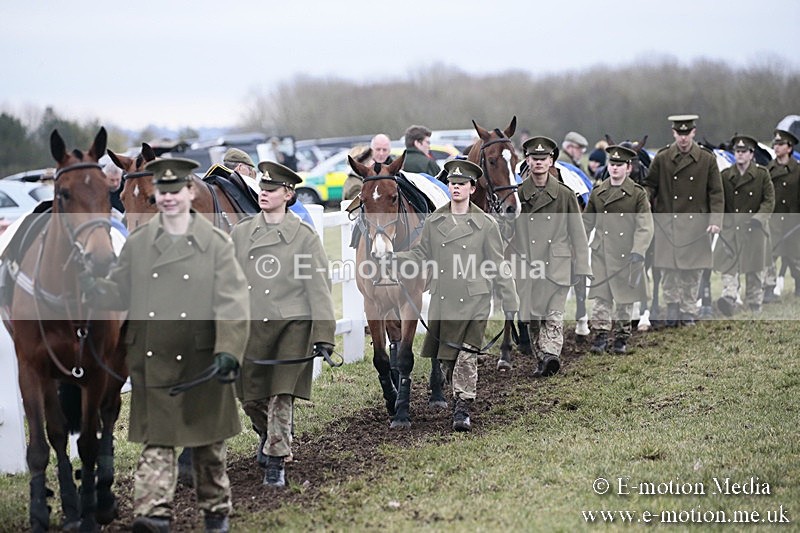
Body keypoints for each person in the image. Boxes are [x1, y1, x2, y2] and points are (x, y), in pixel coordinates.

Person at [81, 158, 250, 533]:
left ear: (190, 191)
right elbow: (121, 289)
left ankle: (216, 514)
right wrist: (96, 288)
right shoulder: (139, 243)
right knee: (156, 445)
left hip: (204, 362)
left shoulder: (216, 242)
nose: (169, 198)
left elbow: (234, 302)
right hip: (152, 360)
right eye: (163, 192)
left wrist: (229, 351)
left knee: (208, 453)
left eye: (176, 191)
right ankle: (153, 514)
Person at [392, 159, 518, 431]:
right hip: (444, 299)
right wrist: (395, 259)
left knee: (466, 355)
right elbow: (421, 253)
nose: (456, 188)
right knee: (448, 359)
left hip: (474, 299)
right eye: (452, 183)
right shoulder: (435, 220)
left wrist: (511, 300)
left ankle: (462, 408)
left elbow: (498, 264)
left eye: (462, 184)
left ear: (473, 188)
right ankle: (458, 395)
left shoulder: (485, 224)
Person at [231, 161, 335, 487]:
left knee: (281, 393)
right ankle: (270, 435)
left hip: (292, 326)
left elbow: (318, 288)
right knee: (250, 398)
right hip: (252, 327)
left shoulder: (304, 237)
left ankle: (276, 460)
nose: (264, 193)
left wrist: (323, 335)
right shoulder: (241, 233)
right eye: (262, 188)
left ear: (288, 194)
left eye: (271, 189)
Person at [512, 136, 591, 377]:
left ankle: (551, 354)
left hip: (557, 263)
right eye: (534, 158)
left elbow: (577, 232)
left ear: (551, 161)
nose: (538, 163)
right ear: (527, 160)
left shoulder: (565, 194)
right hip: (528, 265)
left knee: (553, 315)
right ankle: (543, 358)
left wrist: (582, 266)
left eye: (543, 158)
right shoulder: (517, 195)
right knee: (533, 318)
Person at [643, 114, 723, 327]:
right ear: (674, 133)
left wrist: (715, 220)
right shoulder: (662, 158)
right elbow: (650, 185)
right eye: (680, 134)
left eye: (687, 133)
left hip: (696, 224)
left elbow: (716, 193)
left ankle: (688, 310)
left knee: (692, 271)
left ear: (693, 133)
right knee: (668, 270)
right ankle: (672, 307)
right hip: (667, 222)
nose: (683, 138)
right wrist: (644, 201)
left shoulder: (707, 159)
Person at [583, 146, 654, 354]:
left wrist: (638, 250)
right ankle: (600, 335)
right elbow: (587, 222)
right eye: (612, 164)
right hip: (602, 251)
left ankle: (622, 337)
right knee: (601, 295)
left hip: (627, 252)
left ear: (628, 168)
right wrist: (576, 244)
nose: (615, 168)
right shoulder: (598, 192)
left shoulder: (638, 195)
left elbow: (645, 225)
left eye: (619, 165)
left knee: (625, 297)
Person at [713, 135, 775, 316]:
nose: (739, 155)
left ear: (751, 154)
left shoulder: (762, 175)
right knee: (728, 265)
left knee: (754, 269)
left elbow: (769, 200)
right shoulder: (725, 176)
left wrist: (759, 218)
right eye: (737, 151)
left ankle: (755, 304)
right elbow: (719, 201)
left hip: (755, 228)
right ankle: (729, 296)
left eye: (743, 152)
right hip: (732, 229)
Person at [765, 129, 800, 300]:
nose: (776, 147)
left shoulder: (798, 170)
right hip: (774, 219)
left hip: (794, 220)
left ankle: (799, 284)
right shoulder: (768, 170)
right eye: (775, 144)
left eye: (780, 144)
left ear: (789, 147)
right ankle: (769, 289)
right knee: (770, 254)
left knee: (795, 256)